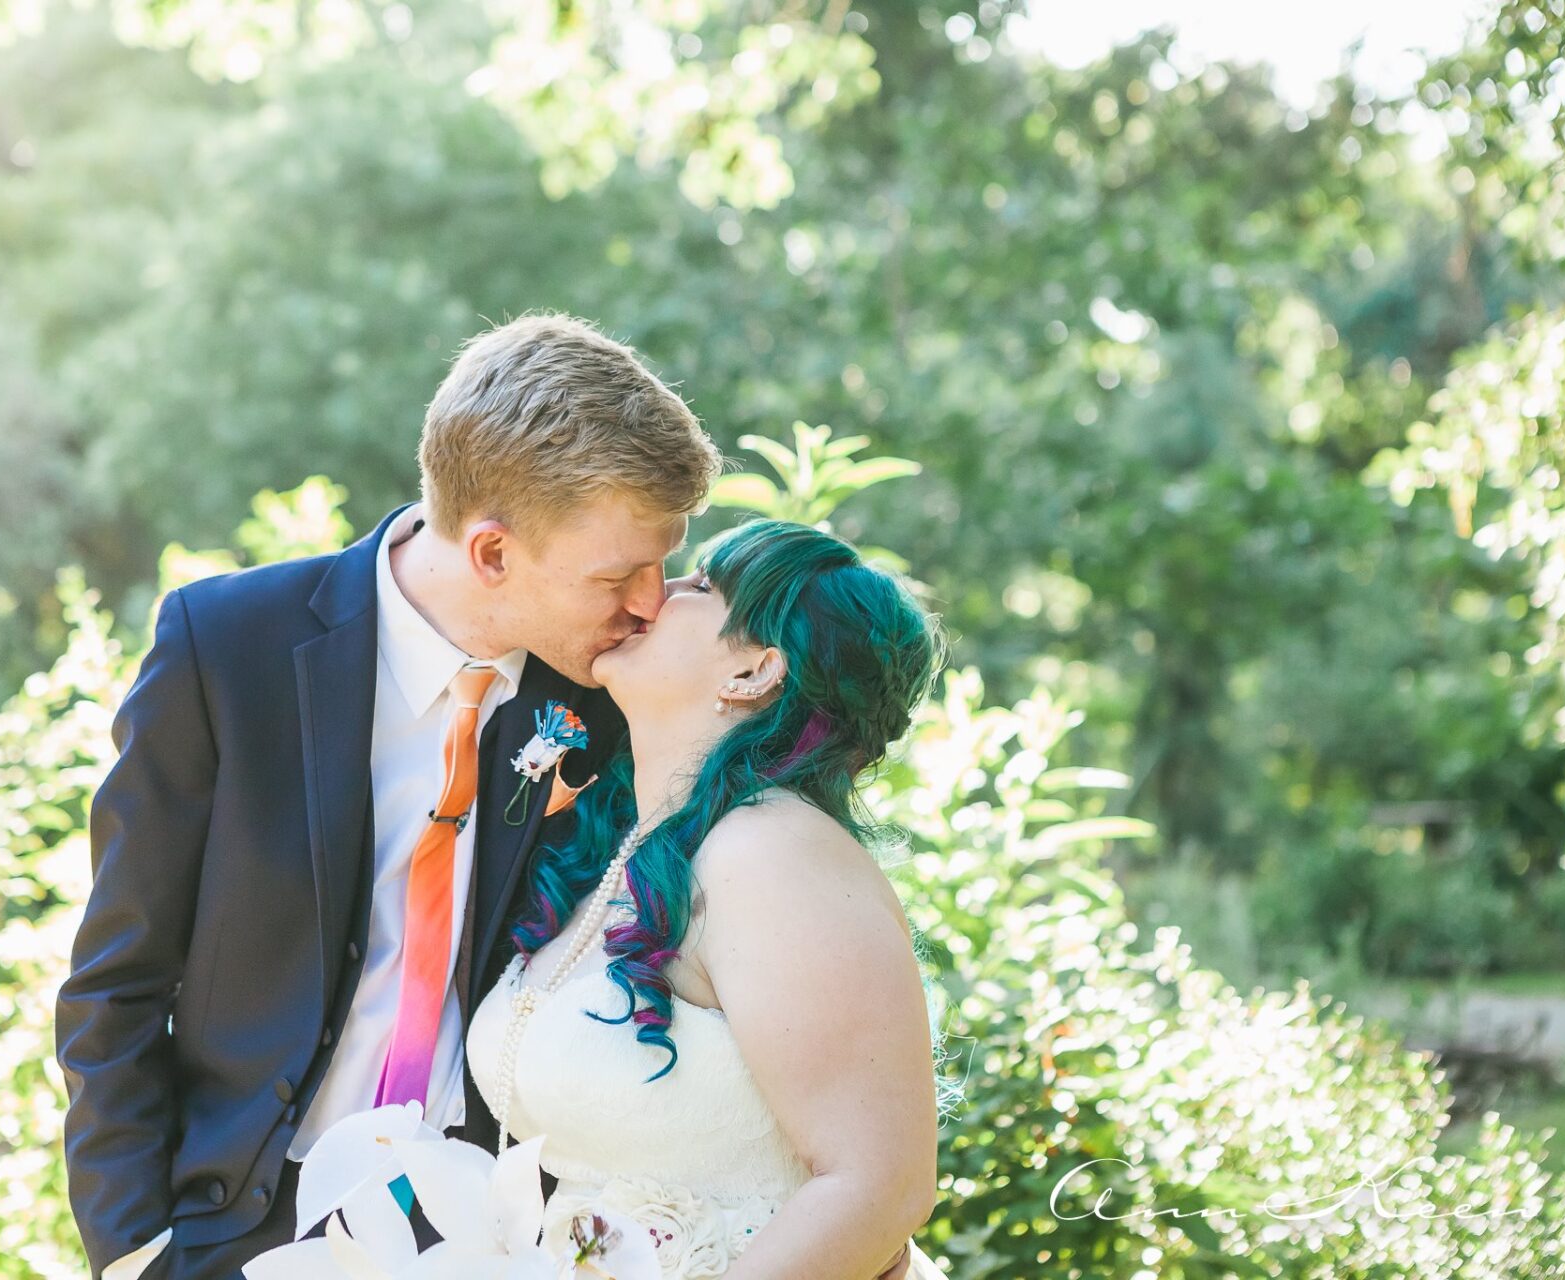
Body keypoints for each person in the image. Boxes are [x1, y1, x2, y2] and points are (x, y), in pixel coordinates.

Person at [54, 313, 922, 1279]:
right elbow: (118, 981)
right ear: (494, 554)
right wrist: (136, 1249)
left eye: (665, 565)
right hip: (233, 1226)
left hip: (494, 1236)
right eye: (620, 573)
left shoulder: (615, 697)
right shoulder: (227, 650)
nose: (650, 601)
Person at [466, 518, 948, 1278]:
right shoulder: (636, 847)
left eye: (700, 584)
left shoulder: (772, 855)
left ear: (755, 672)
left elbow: (881, 1188)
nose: (657, 592)